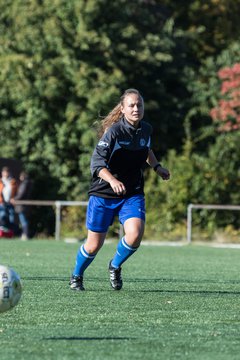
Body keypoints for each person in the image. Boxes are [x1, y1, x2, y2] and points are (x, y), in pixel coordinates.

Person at [69, 88, 170, 291]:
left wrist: (157, 167)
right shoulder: (113, 132)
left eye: (139, 105)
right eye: (131, 105)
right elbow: (96, 164)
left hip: (131, 193)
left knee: (135, 235)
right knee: (93, 245)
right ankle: (76, 275)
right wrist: (112, 180)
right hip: (103, 194)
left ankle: (114, 266)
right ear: (122, 109)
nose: (136, 108)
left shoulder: (146, 130)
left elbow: (146, 149)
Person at [11, 171, 33, 240]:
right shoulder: (28, 183)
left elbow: (21, 194)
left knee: (23, 220)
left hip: (21, 205)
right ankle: (25, 234)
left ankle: (25, 234)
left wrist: (14, 199)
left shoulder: (24, 184)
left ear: (23, 176)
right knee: (24, 220)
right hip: (24, 204)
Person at [0, 166, 18, 231]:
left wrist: (14, 198)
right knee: (2, 216)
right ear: (2, 173)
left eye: (7, 172)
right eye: (4, 172)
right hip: (1, 203)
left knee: (11, 218)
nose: (6, 174)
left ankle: (11, 232)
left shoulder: (13, 181)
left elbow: (17, 192)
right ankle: (2, 232)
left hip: (10, 202)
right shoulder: (0, 181)